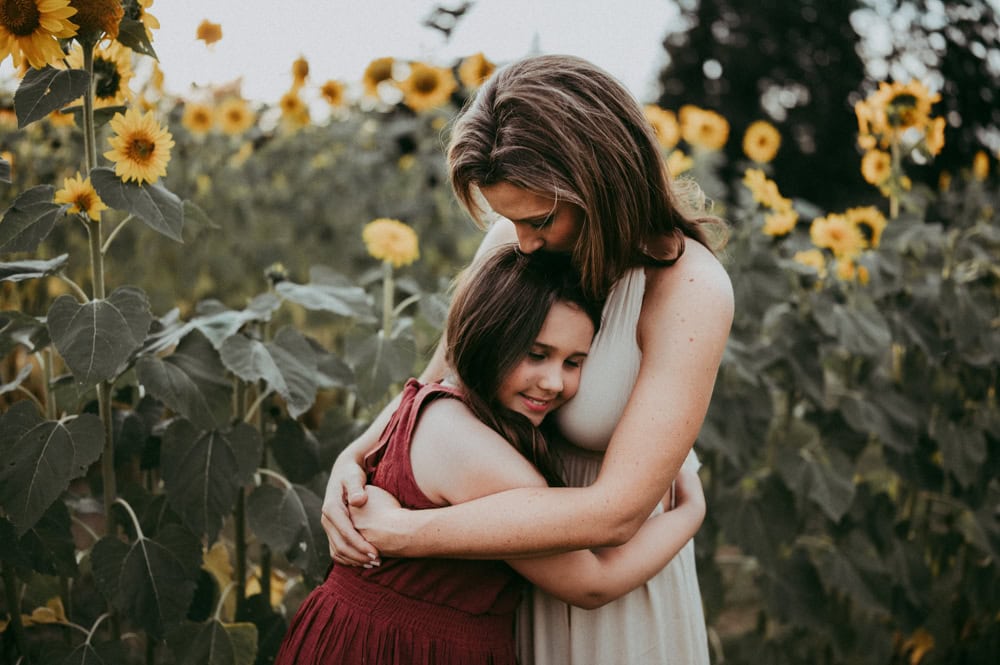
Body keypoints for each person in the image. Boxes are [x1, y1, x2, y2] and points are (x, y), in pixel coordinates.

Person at [324, 54, 734, 664]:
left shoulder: (690, 292)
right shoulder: (518, 241)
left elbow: (617, 514)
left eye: (538, 218)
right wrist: (352, 459)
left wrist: (408, 533)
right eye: (506, 218)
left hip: (610, 582)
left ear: (601, 183)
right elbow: (441, 380)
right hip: (500, 580)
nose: (521, 241)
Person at [275, 246, 706, 664]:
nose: (554, 382)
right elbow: (592, 583)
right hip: (406, 647)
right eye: (537, 354)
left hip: (346, 634)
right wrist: (690, 514)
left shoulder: (433, 403)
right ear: (489, 337)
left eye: (574, 362)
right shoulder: (479, 458)